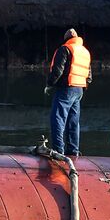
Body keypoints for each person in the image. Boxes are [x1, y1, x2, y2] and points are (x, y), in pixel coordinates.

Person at [45, 28, 91, 156]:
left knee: (58, 118)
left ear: (66, 39)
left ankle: (58, 151)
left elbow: (57, 71)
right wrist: (83, 86)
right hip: (79, 89)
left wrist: (49, 84)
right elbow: (89, 75)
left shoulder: (65, 49)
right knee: (73, 122)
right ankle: (73, 151)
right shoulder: (85, 52)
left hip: (66, 89)